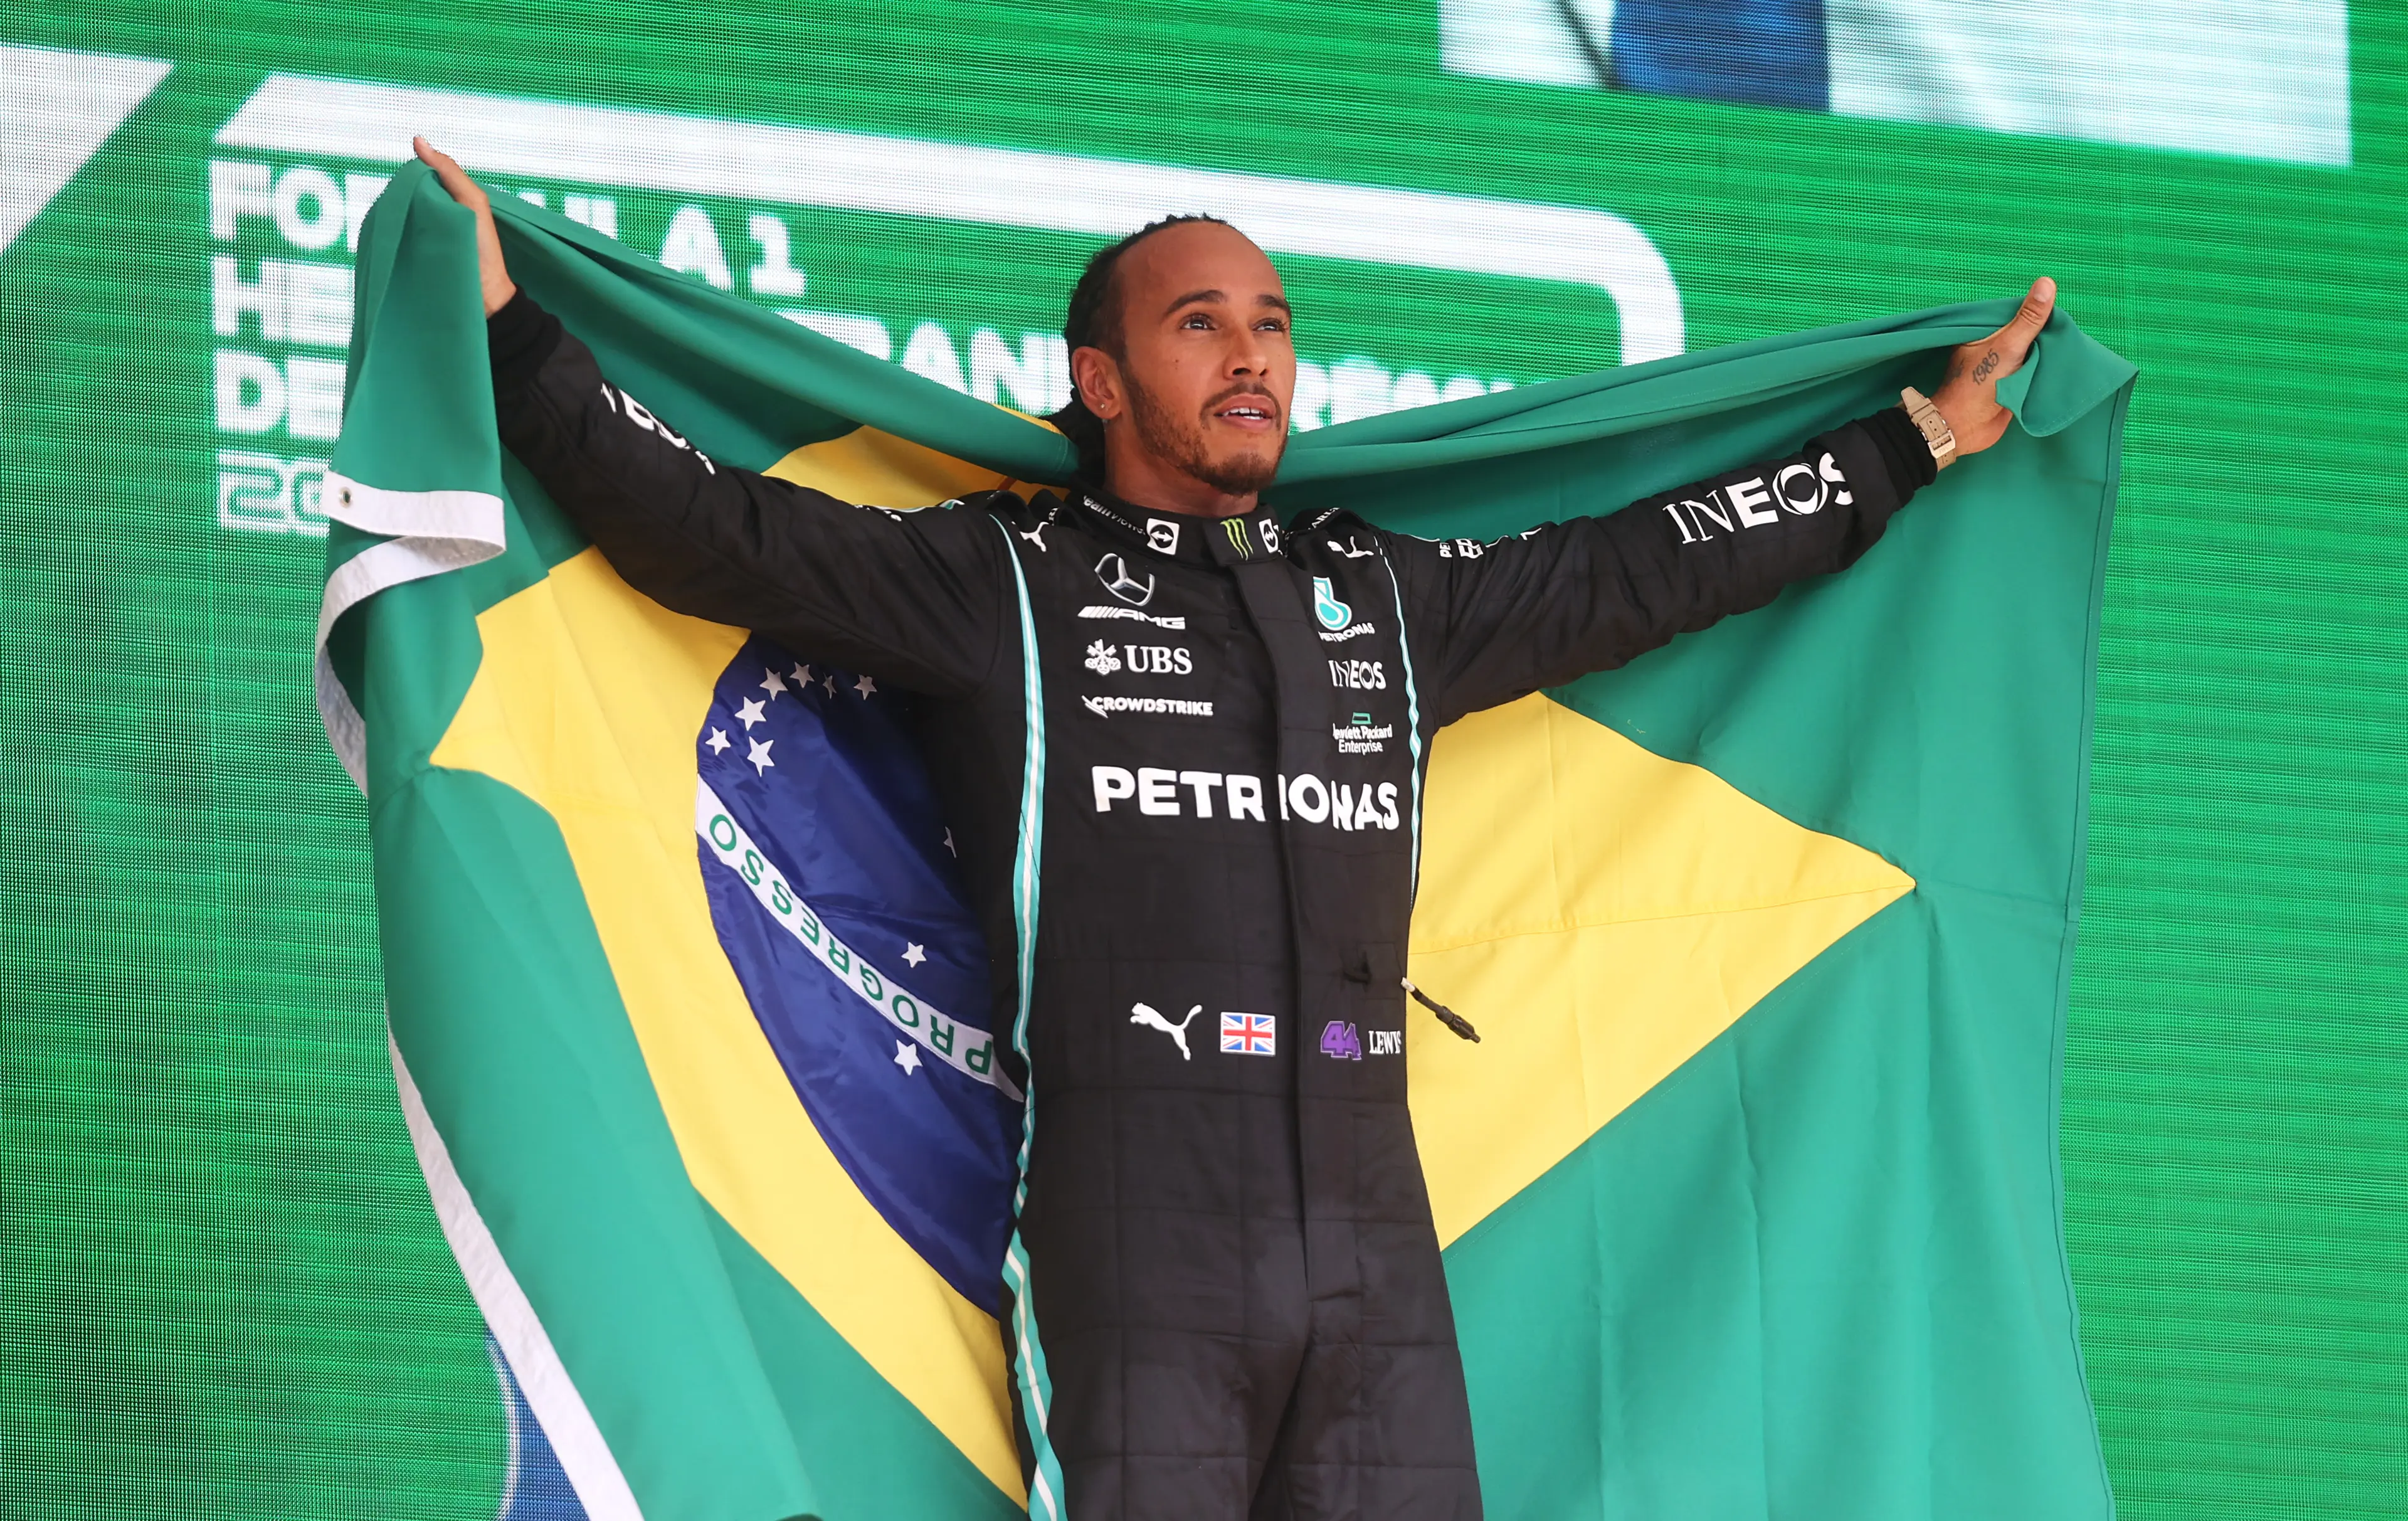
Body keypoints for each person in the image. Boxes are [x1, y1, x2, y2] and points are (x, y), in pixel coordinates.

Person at [413, 138, 2053, 1521]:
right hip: (1139, 1225)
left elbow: (1654, 561)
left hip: (1374, 1227)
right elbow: (711, 529)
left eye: (1271, 322)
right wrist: (511, 337)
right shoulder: (1004, 587)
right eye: (1202, 325)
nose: (1255, 355)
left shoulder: (1381, 599)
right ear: (1102, 379)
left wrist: (1908, 444)